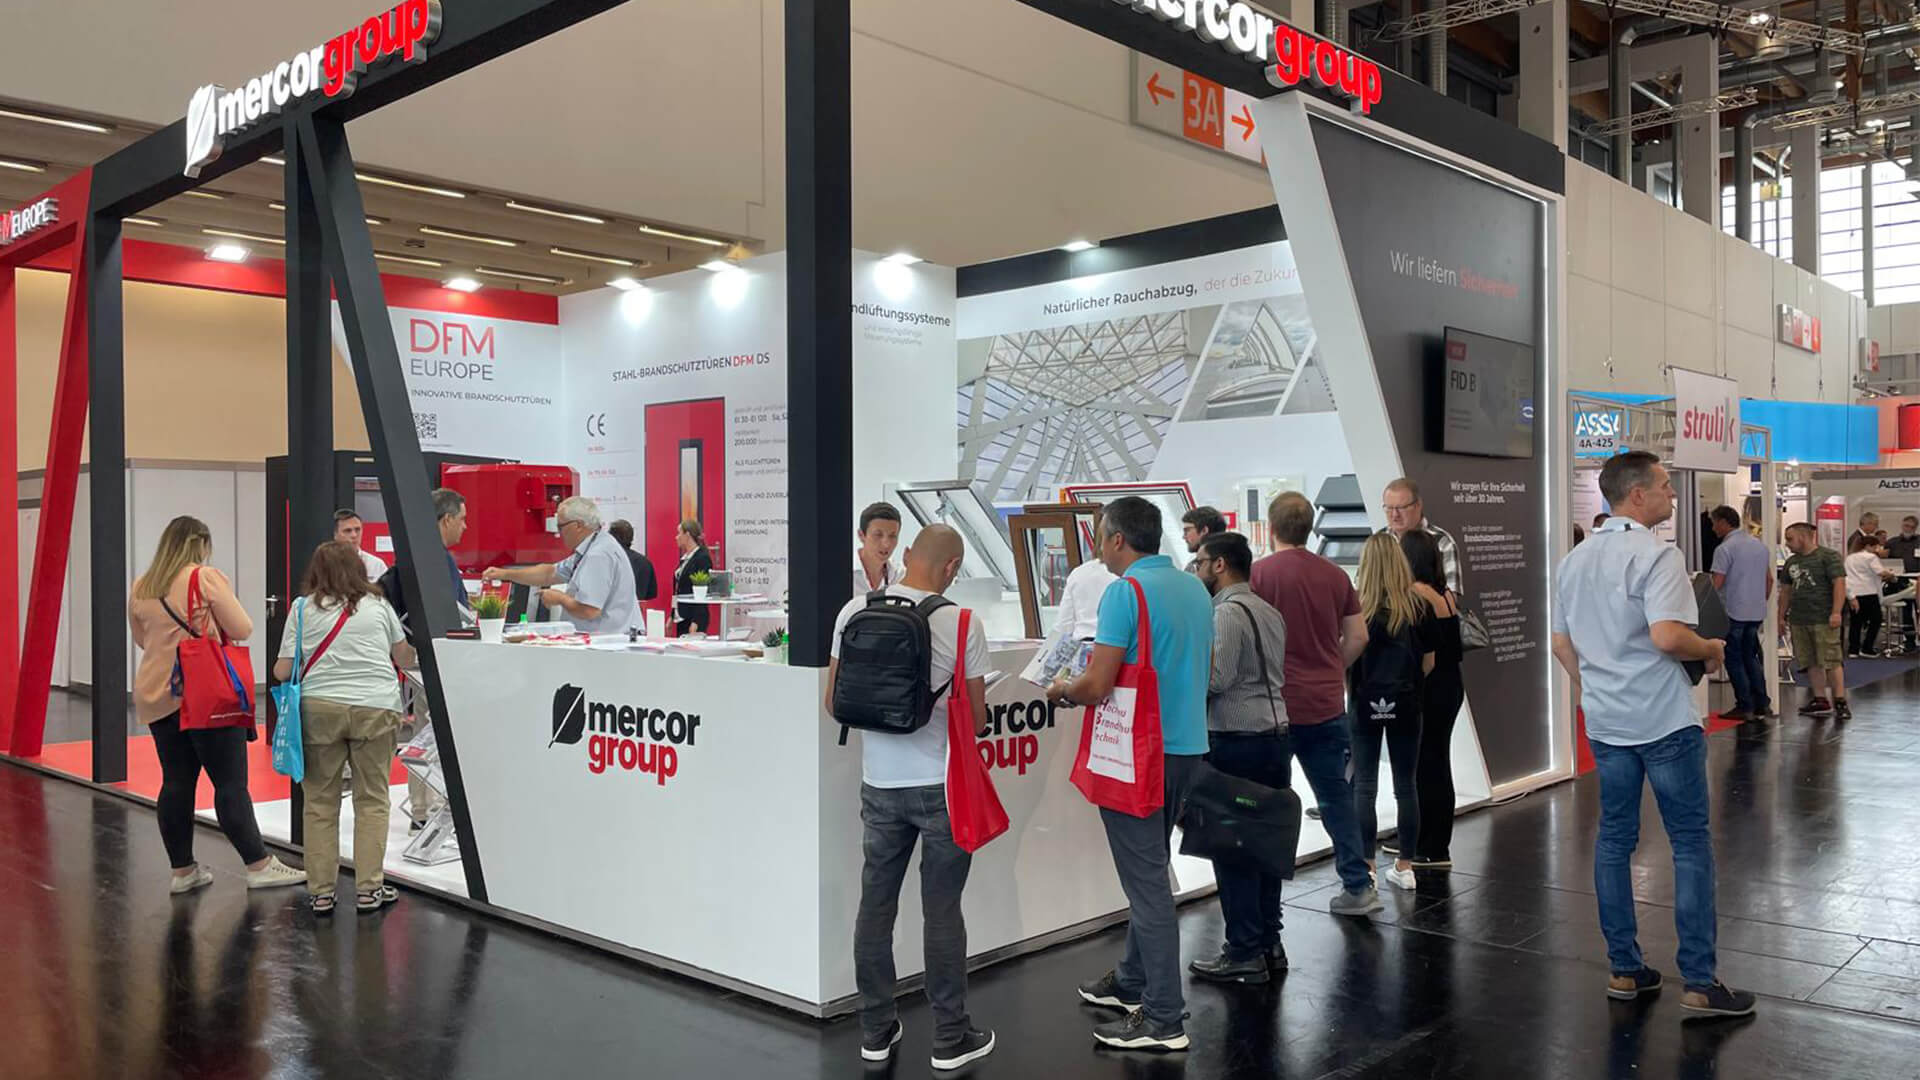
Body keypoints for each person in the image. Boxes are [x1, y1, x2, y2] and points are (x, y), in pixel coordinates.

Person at [1550, 451, 1755, 1018]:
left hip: (1607, 722)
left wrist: (1596, 686)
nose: (1672, 493)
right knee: (1689, 843)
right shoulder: (1658, 555)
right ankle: (1700, 980)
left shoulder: (1574, 561)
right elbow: (1667, 636)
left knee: (1614, 839)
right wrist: (1710, 648)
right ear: (1637, 495)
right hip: (1663, 719)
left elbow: (1561, 644)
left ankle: (1625, 969)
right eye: (1665, 485)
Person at [824, 525, 995, 1071]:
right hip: (941, 786)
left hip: (879, 784)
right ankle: (950, 1037)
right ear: (951, 568)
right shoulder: (962, 623)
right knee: (942, 911)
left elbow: (834, 702)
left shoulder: (854, 611)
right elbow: (979, 719)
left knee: (875, 906)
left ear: (907, 555)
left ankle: (875, 1031)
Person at [1046, 496, 1212, 1052]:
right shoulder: (1194, 588)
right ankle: (1132, 981)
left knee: (1147, 887)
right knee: (1152, 869)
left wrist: (1062, 690)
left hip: (1138, 755)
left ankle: (1163, 1018)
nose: (1097, 548)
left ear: (1118, 539)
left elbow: (1097, 685)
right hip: (1186, 749)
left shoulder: (1125, 593)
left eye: (1100, 536)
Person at [128, 515, 302, 896]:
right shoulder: (203, 577)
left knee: (176, 782)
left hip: (158, 693)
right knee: (229, 783)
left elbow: (142, 639)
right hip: (206, 693)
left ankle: (182, 871)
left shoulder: (142, 585)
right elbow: (241, 628)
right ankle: (258, 865)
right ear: (200, 544)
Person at [1250, 491, 1379, 917]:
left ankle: (1266, 902)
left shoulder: (1258, 575)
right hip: (1325, 704)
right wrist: (1331, 667)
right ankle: (1358, 886)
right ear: (1309, 527)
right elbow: (1358, 636)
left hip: (1273, 708)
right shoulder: (1336, 576)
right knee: (1336, 797)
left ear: (1271, 528)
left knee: (1269, 801)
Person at [273, 542, 416, 915]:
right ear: (358, 569)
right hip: (376, 707)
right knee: (372, 800)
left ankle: (321, 892)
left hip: (320, 709)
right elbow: (403, 657)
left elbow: (282, 671)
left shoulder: (301, 609)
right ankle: (369, 889)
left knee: (320, 802)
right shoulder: (379, 605)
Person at [1187, 531, 1291, 985]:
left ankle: (1244, 951)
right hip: (1274, 737)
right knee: (1266, 846)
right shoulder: (1269, 611)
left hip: (1237, 741)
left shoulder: (1226, 614)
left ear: (1220, 565)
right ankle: (1269, 943)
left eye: (1200, 562)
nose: (1196, 570)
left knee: (1233, 849)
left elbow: (1217, 679)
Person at [1347, 533, 1433, 892]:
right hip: (1407, 703)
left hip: (1364, 703)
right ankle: (1405, 865)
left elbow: (1347, 657)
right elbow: (1428, 662)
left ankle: (1366, 865)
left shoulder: (1357, 608)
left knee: (1364, 786)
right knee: (1406, 786)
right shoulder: (1418, 607)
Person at [481, 496, 636, 635]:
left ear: (578, 525)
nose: (558, 533)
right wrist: (504, 574)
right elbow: (549, 573)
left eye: (561, 527)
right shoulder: (591, 548)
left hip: (606, 642)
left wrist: (560, 598)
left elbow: (590, 610)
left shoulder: (598, 555)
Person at [1401, 529, 1462, 870]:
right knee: (1439, 761)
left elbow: (1427, 658)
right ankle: (1437, 842)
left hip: (1430, 689)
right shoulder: (1446, 595)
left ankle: (1429, 845)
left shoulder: (1417, 596)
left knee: (1425, 766)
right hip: (1452, 686)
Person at [1708, 505, 1774, 721]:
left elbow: (1717, 583)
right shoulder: (1759, 546)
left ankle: (1744, 705)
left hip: (1733, 611)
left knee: (1734, 660)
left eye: (1714, 523)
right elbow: (1769, 580)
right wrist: (1759, 601)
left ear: (1723, 522)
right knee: (1751, 657)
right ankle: (1762, 704)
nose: (1713, 528)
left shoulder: (1724, 549)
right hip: (1755, 612)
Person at [1782, 522, 1849, 720]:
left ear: (1803, 537)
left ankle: (1840, 700)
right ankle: (1820, 699)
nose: (1787, 544)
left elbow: (1839, 585)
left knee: (1831, 659)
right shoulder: (1791, 562)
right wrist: (1780, 617)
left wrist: (1836, 612)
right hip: (1799, 619)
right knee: (1809, 660)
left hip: (1823, 618)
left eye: (1790, 539)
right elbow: (1785, 592)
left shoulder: (1828, 557)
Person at [1381, 478, 1465, 602]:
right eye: (1389, 508)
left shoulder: (1442, 542)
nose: (1394, 515)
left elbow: (1451, 600)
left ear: (1418, 505)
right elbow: (1364, 590)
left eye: (1401, 508)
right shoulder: (1379, 541)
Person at [1845, 534, 1895, 658]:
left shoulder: (1849, 558)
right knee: (1876, 620)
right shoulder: (1871, 557)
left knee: (1856, 622)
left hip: (1853, 593)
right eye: (1875, 547)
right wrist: (1891, 574)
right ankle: (1867, 648)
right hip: (1869, 592)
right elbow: (1881, 572)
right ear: (1868, 546)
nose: (1876, 550)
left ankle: (1853, 650)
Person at [671, 518, 715, 635]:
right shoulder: (685, 558)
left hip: (693, 616)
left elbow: (702, 591)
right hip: (681, 614)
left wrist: (696, 621)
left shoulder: (702, 558)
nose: (676, 537)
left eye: (679, 533)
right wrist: (672, 614)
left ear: (687, 535)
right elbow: (677, 589)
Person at [1885, 515, 1920, 652]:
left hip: (1918, 579)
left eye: (1911, 527)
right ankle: (1909, 641)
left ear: (1915, 528)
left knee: (1919, 610)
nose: (1908, 529)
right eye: (1906, 526)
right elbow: (1887, 562)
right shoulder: (1892, 542)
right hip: (1900, 581)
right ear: (1902, 525)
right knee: (1906, 612)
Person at [853, 501, 903, 595]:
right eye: (878, 535)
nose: (886, 544)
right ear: (861, 535)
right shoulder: (843, 573)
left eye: (892, 536)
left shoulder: (899, 576)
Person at [607, 519, 658, 604]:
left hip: (611, 610)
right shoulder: (645, 562)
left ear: (612, 538)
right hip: (637, 610)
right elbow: (651, 594)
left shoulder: (608, 560)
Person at [333, 509, 388, 581]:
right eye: (347, 531)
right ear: (335, 534)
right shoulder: (326, 563)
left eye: (357, 530)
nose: (354, 535)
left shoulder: (376, 565)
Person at [1180, 506, 1227, 574]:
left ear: (1204, 530)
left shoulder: (1194, 568)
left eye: (1187, 530)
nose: (1184, 536)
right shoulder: (1234, 562)